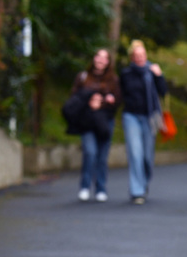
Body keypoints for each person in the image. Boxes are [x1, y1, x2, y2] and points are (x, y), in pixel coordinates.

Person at [119, 40, 166, 205]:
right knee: (135, 154)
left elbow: (163, 92)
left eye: (142, 55)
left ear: (146, 56)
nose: (140, 58)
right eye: (136, 56)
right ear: (132, 57)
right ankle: (137, 191)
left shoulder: (152, 72)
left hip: (149, 117)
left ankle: (144, 182)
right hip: (131, 116)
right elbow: (121, 95)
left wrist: (159, 76)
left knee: (147, 156)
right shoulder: (126, 74)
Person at [70, 49, 121, 202]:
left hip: (105, 122)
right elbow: (74, 98)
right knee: (90, 152)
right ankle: (85, 186)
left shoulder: (113, 80)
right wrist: (90, 101)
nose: (100, 60)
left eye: (104, 58)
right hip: (87, 121)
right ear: (94, 58)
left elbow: (118, 101)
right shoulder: (83, 77)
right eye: (98, 56)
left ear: (108, 62)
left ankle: (101, 188)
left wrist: (105, 102)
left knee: (102, 156)